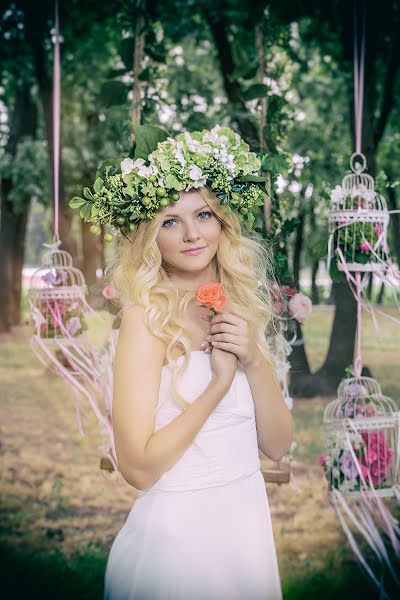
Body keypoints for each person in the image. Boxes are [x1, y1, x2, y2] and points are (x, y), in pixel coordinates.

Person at [71, 125, 293, 599]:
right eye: (170, 221)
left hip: (246, 532)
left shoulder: (243, 306)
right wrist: (216, 387)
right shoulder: (145, 319)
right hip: (178, 543)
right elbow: (138, 468)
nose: (192, 234)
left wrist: (253, 358)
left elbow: (277, 445)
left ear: (222, 223)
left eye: (203, 215)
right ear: (152, 237)